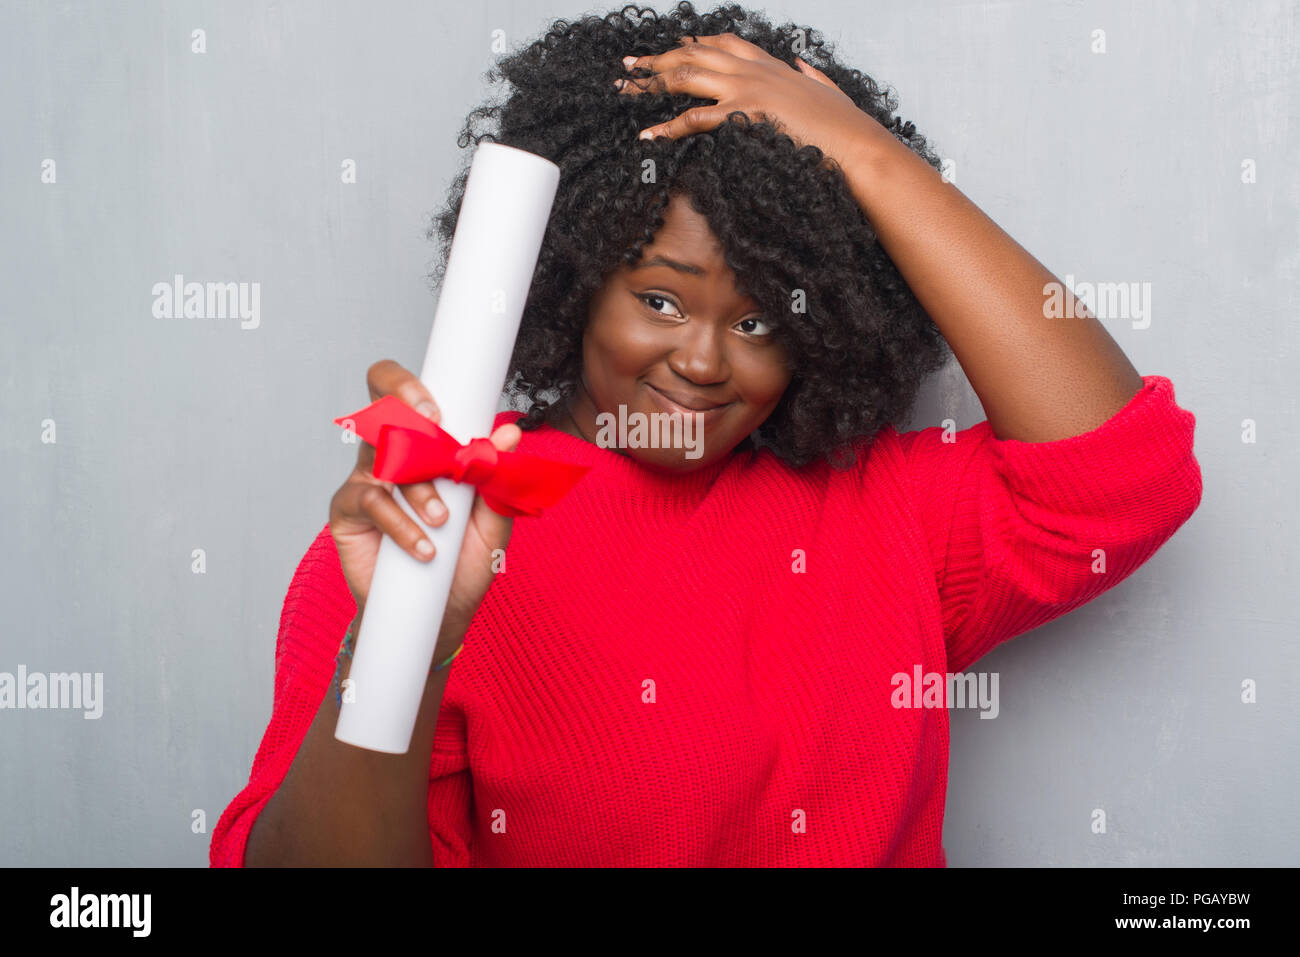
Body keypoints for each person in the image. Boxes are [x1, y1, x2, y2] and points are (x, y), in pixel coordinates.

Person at [212, 2, 1203, 866]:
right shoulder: (427, 532)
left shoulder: (887, 509)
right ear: (572, 280)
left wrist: (868, 159)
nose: (701, 361)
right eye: (656, 297)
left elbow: (1124, 479)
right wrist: (401, 647)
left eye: (758, 319)